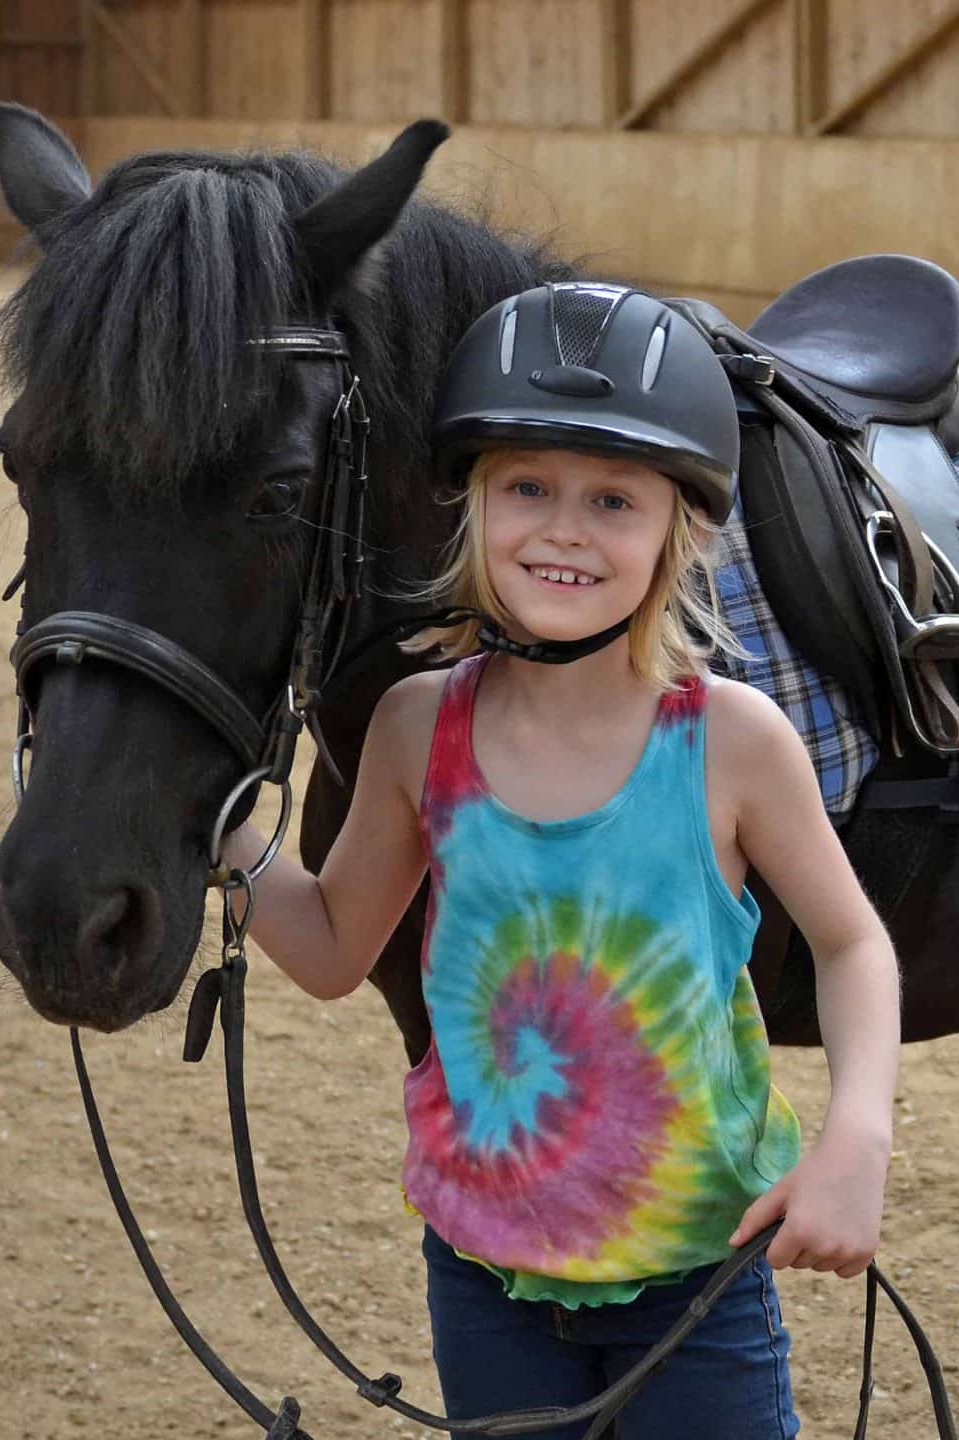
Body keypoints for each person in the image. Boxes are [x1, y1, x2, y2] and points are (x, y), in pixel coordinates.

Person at [218, 281, 901, 1439]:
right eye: (526, 487)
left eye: (613, 500)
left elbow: (851, 940)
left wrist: (857, 1136)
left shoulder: (730, 742)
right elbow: (335, 949)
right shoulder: (411, 729)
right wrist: (218, 819)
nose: (565, 529)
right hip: (482, 1276)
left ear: (679, 534)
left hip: (693, 1277)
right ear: (472, 506)